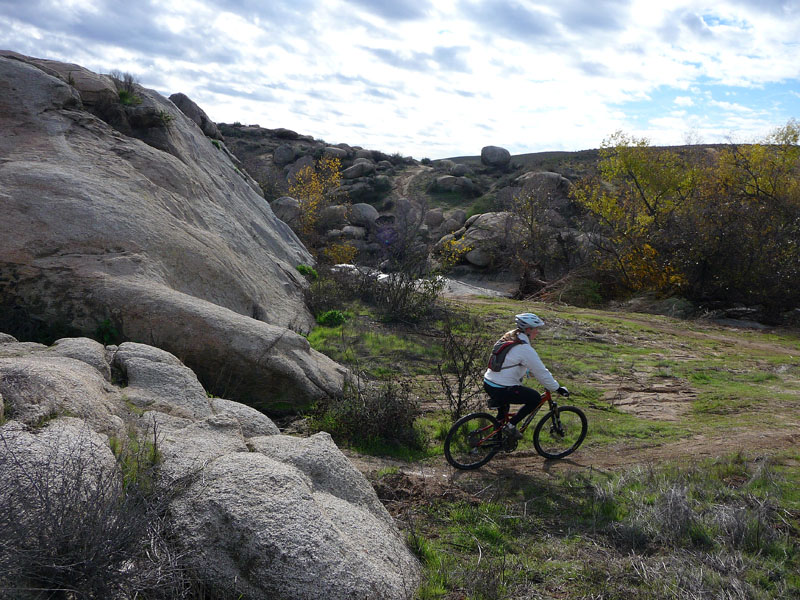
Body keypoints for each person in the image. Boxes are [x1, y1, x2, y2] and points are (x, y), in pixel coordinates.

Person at [483, 313, 569, 440]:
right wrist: (556, 388)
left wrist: (526, 370)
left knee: (502, 415)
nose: (537, 332)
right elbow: (542, 372)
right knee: (534, 398)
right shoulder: (524, 348)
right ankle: (511, 426)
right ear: (528, 330)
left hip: (489, 382)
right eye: (536, 329)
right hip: (502, 387)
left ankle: (495, 440)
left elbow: (510, 360)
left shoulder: (509, 337)